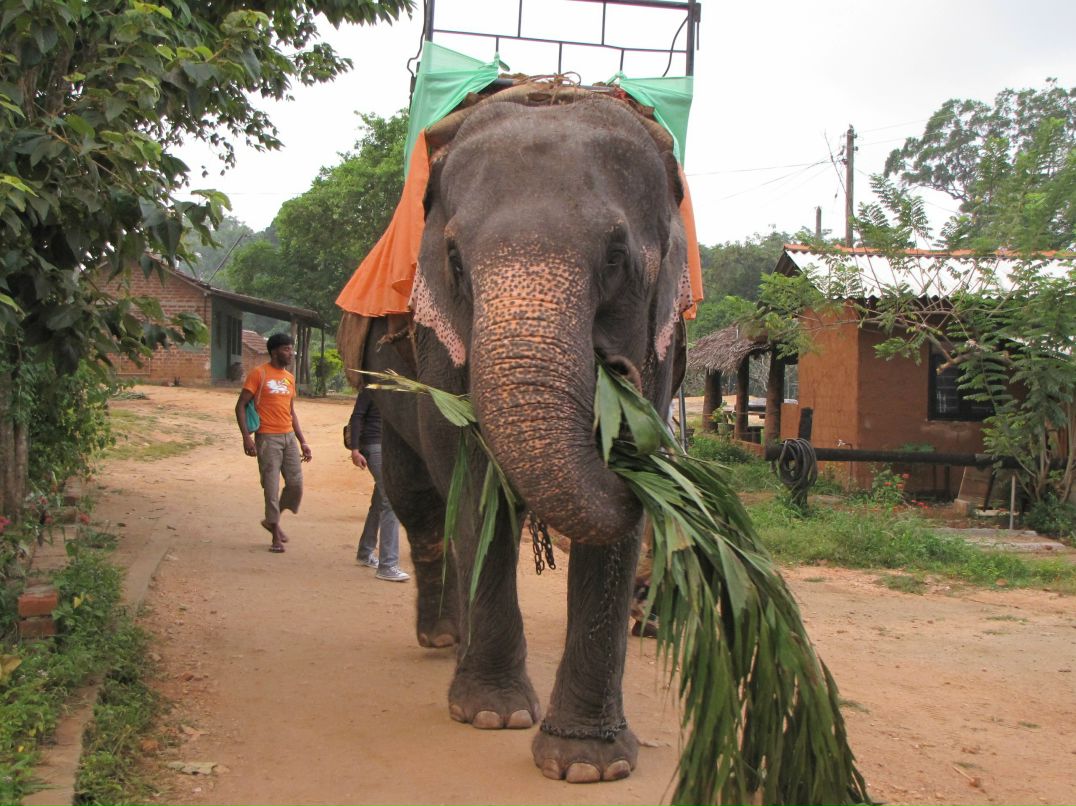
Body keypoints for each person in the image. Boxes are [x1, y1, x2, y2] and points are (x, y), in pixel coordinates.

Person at [234, 333, 312, 553]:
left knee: (296, 485)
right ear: (275, 351)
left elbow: (291, 411)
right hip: (267, 438)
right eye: (286, 349)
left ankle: (272, 520)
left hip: (288, 437)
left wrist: (303, 441)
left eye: (291, 349)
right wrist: (246, 437)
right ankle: (275, 533)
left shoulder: (289, 377)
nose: (290, 353)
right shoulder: (258, 374)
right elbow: (240, 405)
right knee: (271, 486)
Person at [348, 388, 409, 582]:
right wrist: (355, 450)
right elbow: (357, 416)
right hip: (374, 446)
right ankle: (388, 565)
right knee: (391, 499)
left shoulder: (399, 385)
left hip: (387, 446)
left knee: (379, 499)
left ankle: (365, 552)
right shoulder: (372, 385)